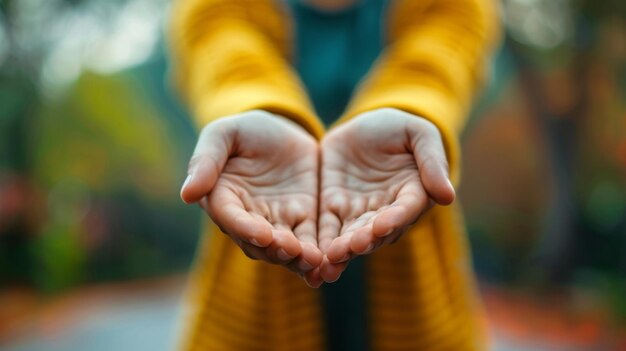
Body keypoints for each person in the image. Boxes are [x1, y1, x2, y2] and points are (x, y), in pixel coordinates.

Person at [169, 0, 500, 349]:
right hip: (254, 295)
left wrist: (405, 114)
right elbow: (229, 62)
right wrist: (262, 112)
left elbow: (433, 69)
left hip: (413, 284)